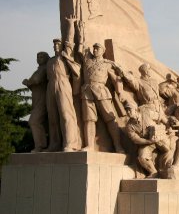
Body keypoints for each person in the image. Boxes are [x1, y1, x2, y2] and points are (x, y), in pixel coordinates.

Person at [73, 17, 125, 153]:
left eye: (98, 48)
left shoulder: (108, 64)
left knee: (110, 119)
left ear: (103, 51)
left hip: (102, 91)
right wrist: (79, 30)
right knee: (88, 119)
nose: (95, 50)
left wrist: (120, 91)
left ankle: (118, 146)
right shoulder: (87, 59)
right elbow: (81, 45)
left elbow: (116, 78)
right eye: (94, 48)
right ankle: (89, 145)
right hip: (87, 91)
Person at [46, 34, 81, 152]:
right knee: (52, 117)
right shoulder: (50, 61)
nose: (56, 46)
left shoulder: (65, 57)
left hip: (63, 83)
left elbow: (70, 41)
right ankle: (54, 144)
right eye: (54, 44)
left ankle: (71, 143)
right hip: (50, 85)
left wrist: (71, 24)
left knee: (66, 114)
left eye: (58, 44)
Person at [22, 52, 50, 152]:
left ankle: (40, 145)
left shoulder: (44, 69)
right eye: (37, 57)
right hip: (37, 100)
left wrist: (28, 81)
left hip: (43, 100)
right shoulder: (39, 69)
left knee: (34, 121)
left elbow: (36, 79)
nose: (39, 58)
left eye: (41, 56)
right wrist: (29, 83)